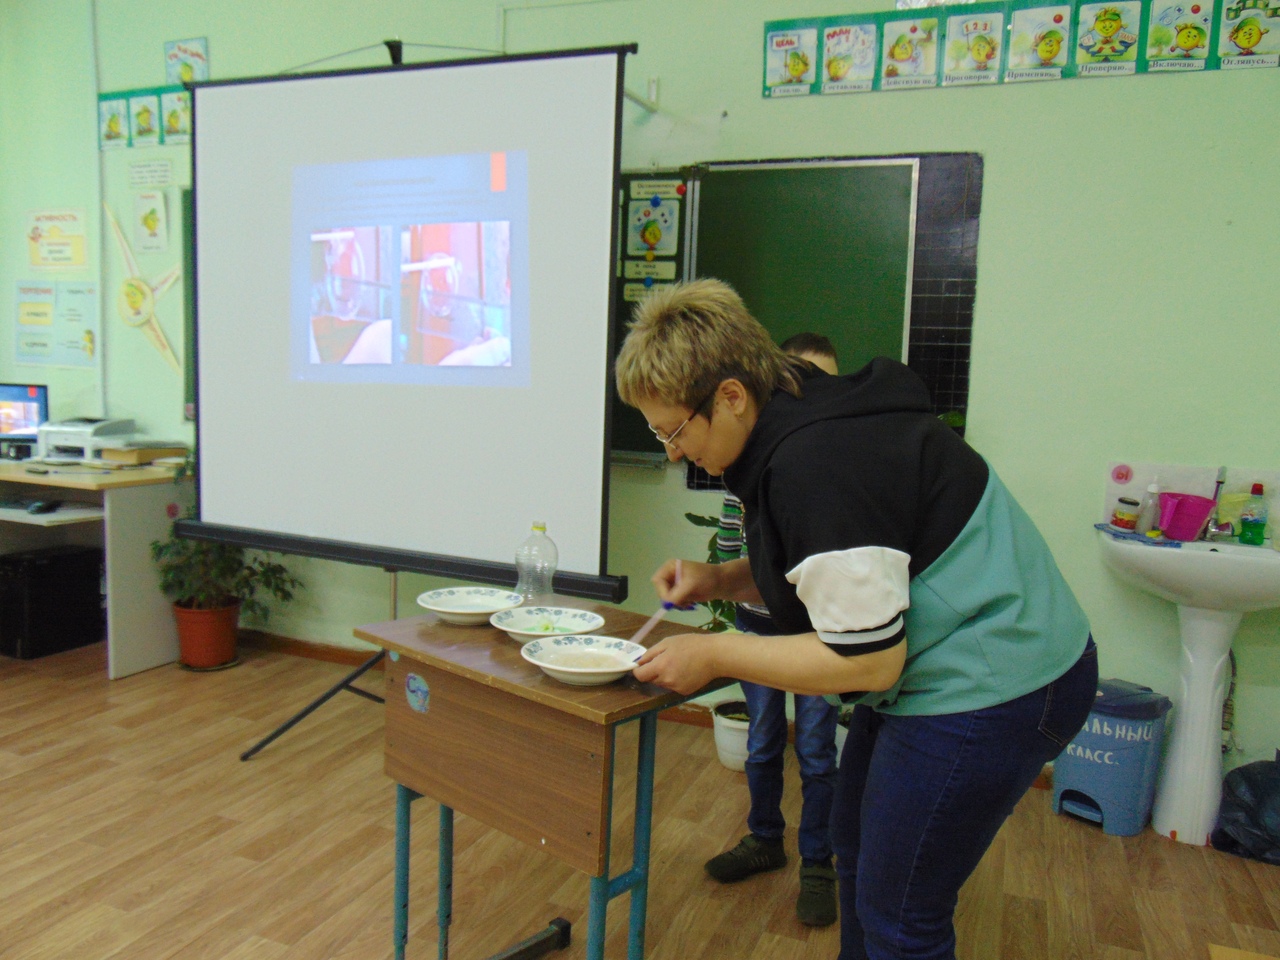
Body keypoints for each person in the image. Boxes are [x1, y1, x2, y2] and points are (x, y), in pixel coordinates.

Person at [614, 279, 1097, 960]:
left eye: (673, 430)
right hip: (945, 670)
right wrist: (719, 580)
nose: (669, 450)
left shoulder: (816, 460)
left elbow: (867, 660)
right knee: (857, 848)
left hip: (1001, 682)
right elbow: (834, 558)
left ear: (731, 396)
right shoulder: (791, 398)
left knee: (901, 913)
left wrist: (714, 653)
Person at [705, 332, 841, 929]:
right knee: (761, 742)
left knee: (815, 750)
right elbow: (733, 558)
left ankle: (818, 862)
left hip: (817, 642)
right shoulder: (748, 473)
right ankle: (765, 839)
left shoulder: (837, 470)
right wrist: (722, 580)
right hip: (759, 631)